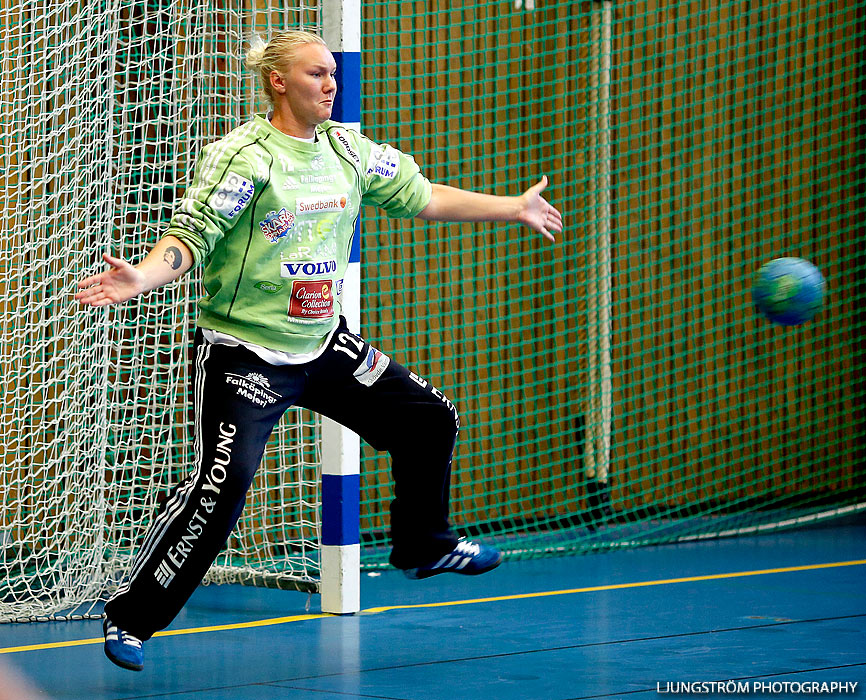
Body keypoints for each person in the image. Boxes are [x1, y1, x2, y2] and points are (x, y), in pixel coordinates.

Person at [76, 30, 563, 672]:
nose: (332, 84)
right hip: (247, 355)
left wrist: (513, 207)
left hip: (324, 343)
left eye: (334, 73)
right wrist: (141, 275)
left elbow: (423, 198)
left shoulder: (348, 150)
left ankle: (423, 544)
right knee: (221, 491)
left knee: (429, 418)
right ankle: (131, 618)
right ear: (279, 82)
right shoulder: (244, 158)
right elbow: (191, 236)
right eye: (317, 74)